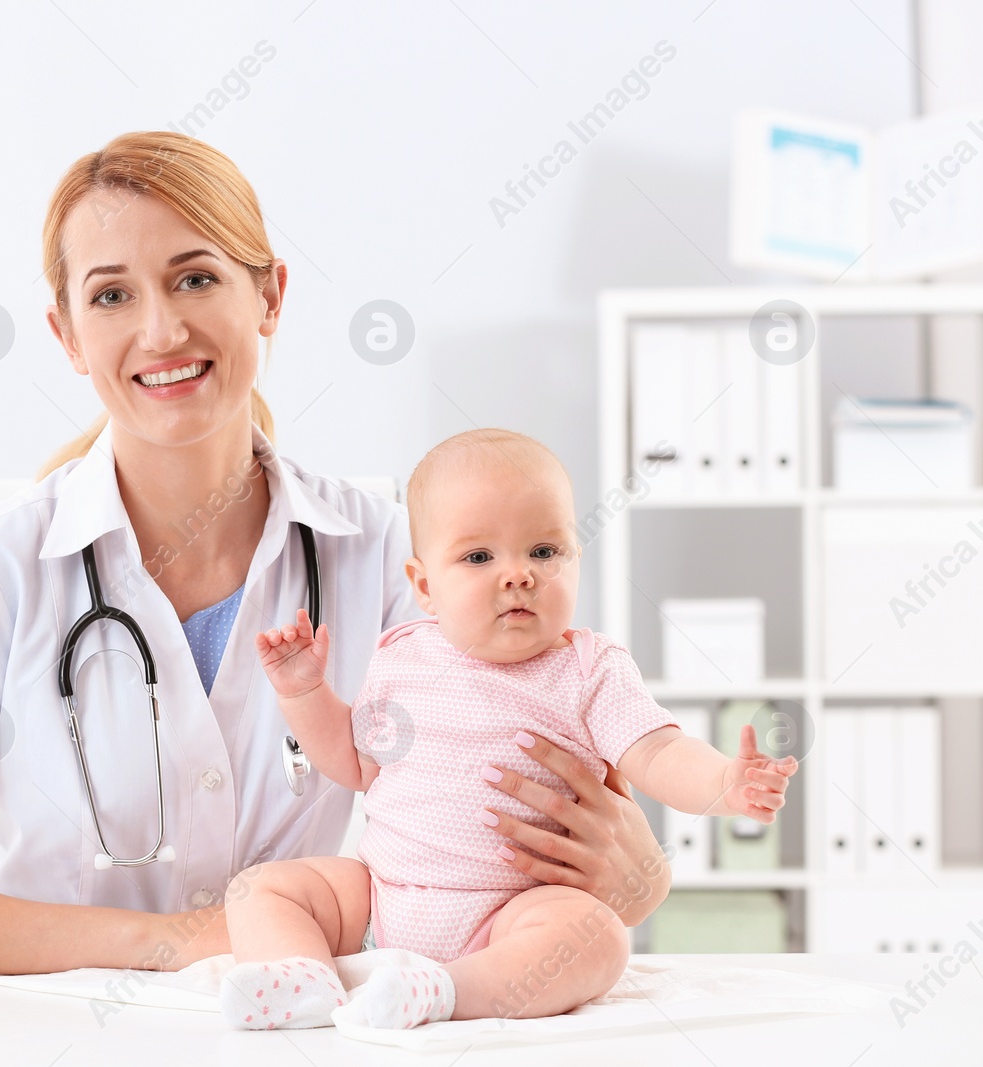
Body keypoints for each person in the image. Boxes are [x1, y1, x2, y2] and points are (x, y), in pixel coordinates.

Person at [0, 131, 674, 977]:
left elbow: (521, 813)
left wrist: (635, 876)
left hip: (302, 1030)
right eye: (111, 296)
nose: (161, 330)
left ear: (269, 299)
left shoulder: (395, 559)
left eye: (195, 277)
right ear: (66, 335)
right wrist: (181, 942)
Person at [217, 428, 798, 1029]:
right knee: (262, 890)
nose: (518, 574)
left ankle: (444, 992)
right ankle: (304, 980)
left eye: (544, 552)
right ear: (424, 586)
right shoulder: (402, 656)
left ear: (576, 557)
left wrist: (725, 783)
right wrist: (305, 692)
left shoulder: (587, 669)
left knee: (595, 936)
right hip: (383, 901)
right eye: (478, 557)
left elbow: (659, 752)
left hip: (513, 913)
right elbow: (355, 764)